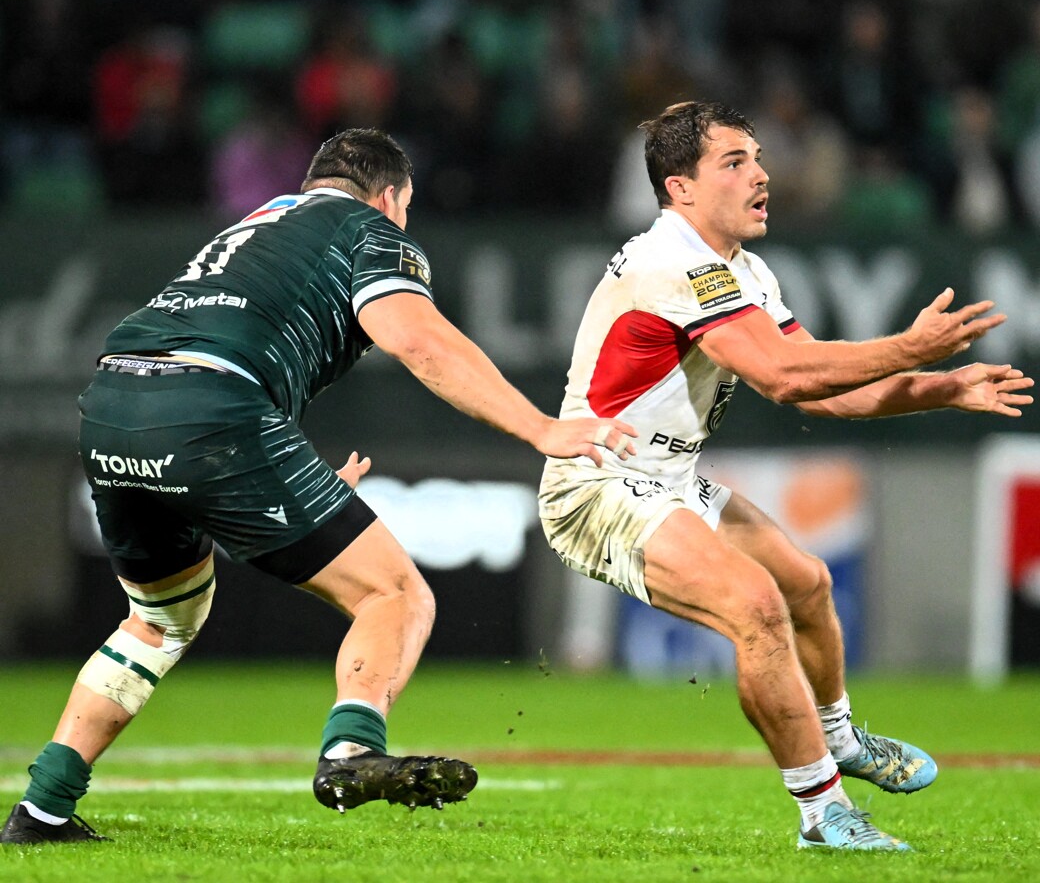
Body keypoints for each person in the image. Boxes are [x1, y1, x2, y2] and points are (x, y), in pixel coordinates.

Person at [1, 128, 637, 845]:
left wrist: (270, 476)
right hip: (213, 411)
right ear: (392, 197)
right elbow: (415, 337)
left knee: (159, 620)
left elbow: (234, 346)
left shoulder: (256, 224)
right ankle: (352, 749)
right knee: (394, 593)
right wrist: (539, 427)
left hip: (113, 403)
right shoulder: (369, 228)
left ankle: (44, 807)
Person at [538, 101, 1034, 853]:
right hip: (597, 482)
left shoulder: (742, 269)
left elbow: (820, 385)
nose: (761, 175)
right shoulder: (671, 262)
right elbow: (785, 376)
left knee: (806, 583)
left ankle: (836, 739)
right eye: (734, 163)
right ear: (681, 190)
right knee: (756, 607)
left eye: (758, 157)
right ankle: (822, 816)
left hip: (666, 473)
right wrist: (908, 349)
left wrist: (943, 387)